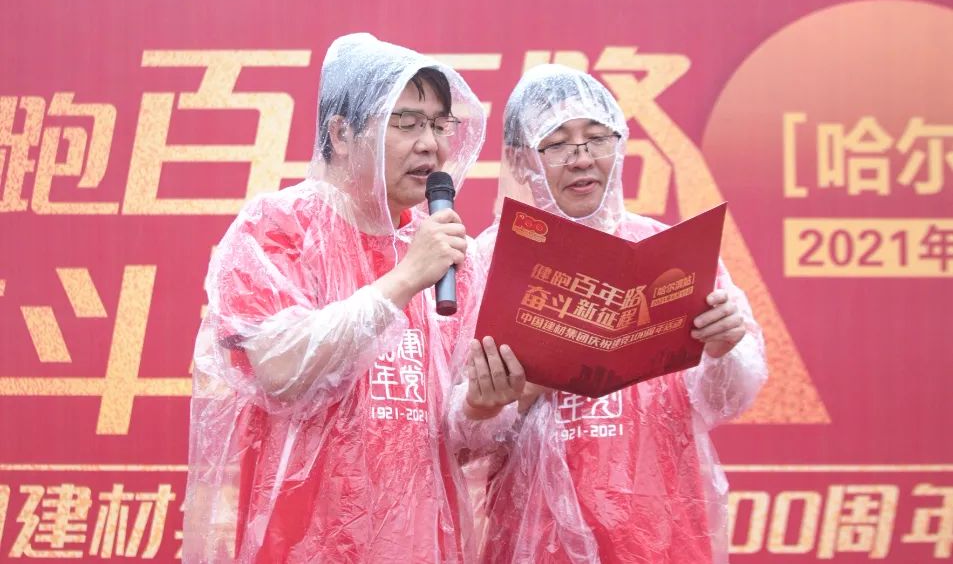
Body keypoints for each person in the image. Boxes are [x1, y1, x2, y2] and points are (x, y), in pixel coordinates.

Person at [183, 33, 487, 563]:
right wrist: (403, 280)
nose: (430, 144)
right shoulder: (277, 227)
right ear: (342, 133)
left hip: (421, 546)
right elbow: (280, 368)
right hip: (303, 545)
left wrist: (487, 401)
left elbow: (456, 431)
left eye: (440, 125)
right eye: (407, 122)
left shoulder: (447, 253)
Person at [451, 64, 768, 563]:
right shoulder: (485, 263)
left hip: (659, 534)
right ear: (521, 158)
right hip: (536, 537)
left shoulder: (669, 253)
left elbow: (722, 399)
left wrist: (725, 349)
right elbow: (461, 439)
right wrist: (496, 399)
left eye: (596, 138)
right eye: (556, 144)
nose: (581, 159)